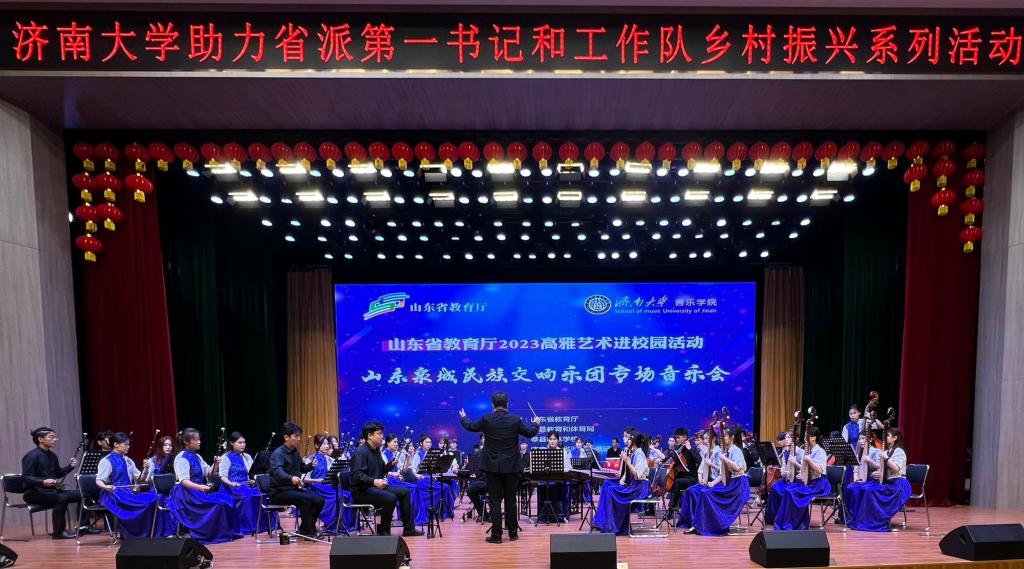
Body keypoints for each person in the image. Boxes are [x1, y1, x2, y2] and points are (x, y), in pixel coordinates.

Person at [459, 390, 541, 544]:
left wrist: (464, 418)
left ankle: (496, 536)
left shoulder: (487, 419)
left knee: (495, 501)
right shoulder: (515, 420)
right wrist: (536, 423)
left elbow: (470, 426)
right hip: (511, 468)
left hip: (492, 468)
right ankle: (513, 533)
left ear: (492, 405)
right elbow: (530, 433)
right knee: (511, 500)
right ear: (507, 404)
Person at [350, 421, 424, 537]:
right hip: (362, 491)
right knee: (390, 497)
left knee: (405, 492)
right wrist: (374, 481)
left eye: (382, 434)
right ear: (370, 435)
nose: (382, 437)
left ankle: (409, 529)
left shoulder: (376, 451)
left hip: (374, 488)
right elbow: (356, 475)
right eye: (379, 434)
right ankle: (383, 530)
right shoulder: (360, 452)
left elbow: (381, 471)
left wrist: (390, 464)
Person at [168, 428, 241, 543]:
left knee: (228, 499)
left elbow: (208, 473)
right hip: (186, 495)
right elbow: (184, 481)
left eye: (199, 439)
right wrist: (200, 487)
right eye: (195, 440)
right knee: (219, 503)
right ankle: (214, 533)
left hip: (198, 492)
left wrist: (216, 464)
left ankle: (229, 532)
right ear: (186, 442)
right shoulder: (182, 458)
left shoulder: (197, 456)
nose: (199, 442)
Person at [95, 432, 170, 538]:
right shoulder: (107, 461)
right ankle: (135, 534)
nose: (128, 447)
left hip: (127, 493)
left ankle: (152, 533)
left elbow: (140, 479)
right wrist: (106, 487)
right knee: (147, 502)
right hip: (114, 494)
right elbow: (99, 481)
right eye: (126, 444)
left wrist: (146, 469)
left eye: (128, 444)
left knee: (156, 498)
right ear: (116, 444)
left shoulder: (128, 460)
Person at [679, 426, 749, 536]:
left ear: (732, 437)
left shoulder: (736, 451)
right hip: (728, 482)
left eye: (725, 436)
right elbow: (722, 473)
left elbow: (737, 468)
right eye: (721, 436)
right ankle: (697, 524)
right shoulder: (724, 451)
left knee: (705, 493)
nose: (722, 438)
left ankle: (711, 525)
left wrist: (723, 459)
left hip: (737, 484)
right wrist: (710, 482)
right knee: (695, 491)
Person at [844, 428, 912, 532]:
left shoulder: (899, 451)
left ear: (895, 438)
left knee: (869, 490)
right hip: (887, 482)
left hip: (898, 484)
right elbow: (882, 469)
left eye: (888, 436)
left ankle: (873, 522)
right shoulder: (887, 451)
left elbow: (896, 469)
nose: (885, 438)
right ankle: (862, 520)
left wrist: (886, 458)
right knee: (862, 489)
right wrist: (878, 473)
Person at [21, 427, 83, 539]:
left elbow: (58, 473)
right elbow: (26, 477)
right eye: (51, 437)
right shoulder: (31, 456)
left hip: (50, 491)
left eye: (55, 437)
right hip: (33, 493)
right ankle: (58, 532)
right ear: (40, 439)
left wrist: (70, 467)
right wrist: (43, 482)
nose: (55, 439)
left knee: (82, 494)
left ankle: (84, 526)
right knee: (61, 498)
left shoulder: (52, 456)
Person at [268, 422, 325, 538]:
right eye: (296, 436)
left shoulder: (295, 452)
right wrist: (291, 478)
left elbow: (301, 468)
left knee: (319, 500)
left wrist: (310, 466)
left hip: (293, 490)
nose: (299, 439)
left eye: (299, 436)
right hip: (279, 491)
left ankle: (305, 528)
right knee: (305, 499)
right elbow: (277, 471)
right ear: (286, 437)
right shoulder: (278, 453)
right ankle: (309, 532)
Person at [767, 426, 830, 530]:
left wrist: (809, 460)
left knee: (792, 492)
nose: (804, 439)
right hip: (808, 482)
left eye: (806, 437)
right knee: (787, 490)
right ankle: (784, 521)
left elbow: (819, 470)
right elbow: (805, 469)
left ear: (813, 438)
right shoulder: (808, 451)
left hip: (818, 484)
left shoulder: (820, 451)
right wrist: (801, 474)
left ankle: (795, 524)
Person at [593, 429, 651, 535]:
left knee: (611, 491)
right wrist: (623, 468)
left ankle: (613, 525)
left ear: (633, 441)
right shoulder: (633, 453)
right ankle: (601, 521)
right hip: (634, 484)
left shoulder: (639, 454)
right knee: (607, 483)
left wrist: (627, 461)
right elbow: (626, 472)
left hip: (639, 488)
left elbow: (637, 475)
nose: (626, 440)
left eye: (628, 438)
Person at [218, 431, 276, 535]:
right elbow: (223, 476)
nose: (243, 445)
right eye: (239, 442)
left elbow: (251, 473)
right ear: (232, 443)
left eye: (244, 442)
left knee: (264, 495)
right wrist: (232, 483)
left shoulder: (247, 456)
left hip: (246, 486)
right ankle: (249, 526)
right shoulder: (226, 457)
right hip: (232, 488)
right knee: (248, 497)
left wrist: (253, 481)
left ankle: (264, 524)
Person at [302, 433, 356, 533]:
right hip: (316, 488)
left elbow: (336, 473)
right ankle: (334, 525)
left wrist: (343, 462)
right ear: (317, 445)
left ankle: (347, 525)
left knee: (348, 494)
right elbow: (304, 479)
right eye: (324, 444)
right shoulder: (310, 459)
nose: (327, 446)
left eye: (327, 444)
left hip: (328, 487)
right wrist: (317, 480)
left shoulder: (329, 459)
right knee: (338, 498)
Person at [382, 434, 425, 526]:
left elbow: (403, 470)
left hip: (396, 480)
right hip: (388, 481)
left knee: (414, 487)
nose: (397, 444)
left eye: (397, 442)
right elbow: (383, 471)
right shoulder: (383, 455)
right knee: (412, 488)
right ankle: (407, 517)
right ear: (388, 443)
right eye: (394, 442)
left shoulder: (395, 454)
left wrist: (408, 459)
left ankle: (412, 517)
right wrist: (393, 473)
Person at [534, 431, 570, 523]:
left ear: (558, 440)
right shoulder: (543, 452)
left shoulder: (563, 452)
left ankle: (559, 515)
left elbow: (568, 468)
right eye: (550, 439)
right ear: (548, 440)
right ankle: (544, 515)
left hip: (559, 481)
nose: (552, 441)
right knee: (541, 486)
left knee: (559, 487)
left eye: (554, 439)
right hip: (546, 480)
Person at [666, 428, 700, 514]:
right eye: (676, 438)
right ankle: (677, 506)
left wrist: (690, 449)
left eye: (678, 437)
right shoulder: (679, 449)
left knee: (677, 482)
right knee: (669, 480)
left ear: (685, 437)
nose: (676, 440)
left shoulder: (692, 448)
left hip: (692, 478)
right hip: (682, 476)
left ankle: (671, 510)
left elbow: (700, 461)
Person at [464, 438, 488, 520]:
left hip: (496, 481)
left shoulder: (497, 452)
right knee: (470, 489)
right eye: (484, 438)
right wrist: (458, 472)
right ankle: (483, 513)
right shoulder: (478, 454)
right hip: (482, 481)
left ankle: (494, 514)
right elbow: (469, 469)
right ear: (482, 440)